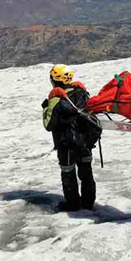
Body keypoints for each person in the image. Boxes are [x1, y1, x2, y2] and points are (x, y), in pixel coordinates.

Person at [42, 64, 101, 212]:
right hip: (85, 142)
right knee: (86, 172)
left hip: (66, 144)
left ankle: (73, 205)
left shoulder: (56, 99)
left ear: (54, 79)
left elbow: (48, 125)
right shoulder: (82, 92)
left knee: (68, 173)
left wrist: (45, 108)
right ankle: (88, 203)